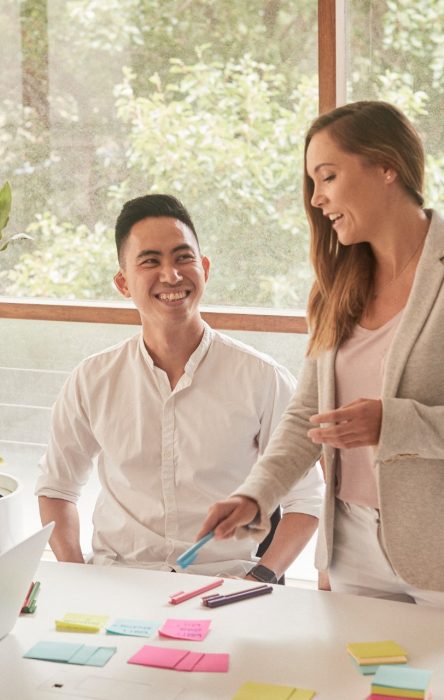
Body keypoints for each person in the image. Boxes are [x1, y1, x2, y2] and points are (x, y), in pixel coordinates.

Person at [198, 101, 444, 605]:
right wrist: (256, 495)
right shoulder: (337, 287)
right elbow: (308, 414)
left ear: (387, 166)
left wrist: (393, 424)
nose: (316, 198)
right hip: (351, 545)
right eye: (312, 182)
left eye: (328, 176)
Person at [36, 194, 323, 580]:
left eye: (183, 258)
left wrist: (259, 579)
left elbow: (307, 498)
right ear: (123, 282)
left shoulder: (262, 378)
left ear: (204, 268)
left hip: (224, 581)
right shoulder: (92, 379)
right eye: (151, 261)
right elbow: (56, 488)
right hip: (118, 579)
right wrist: (76, 577)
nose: (171, 275)